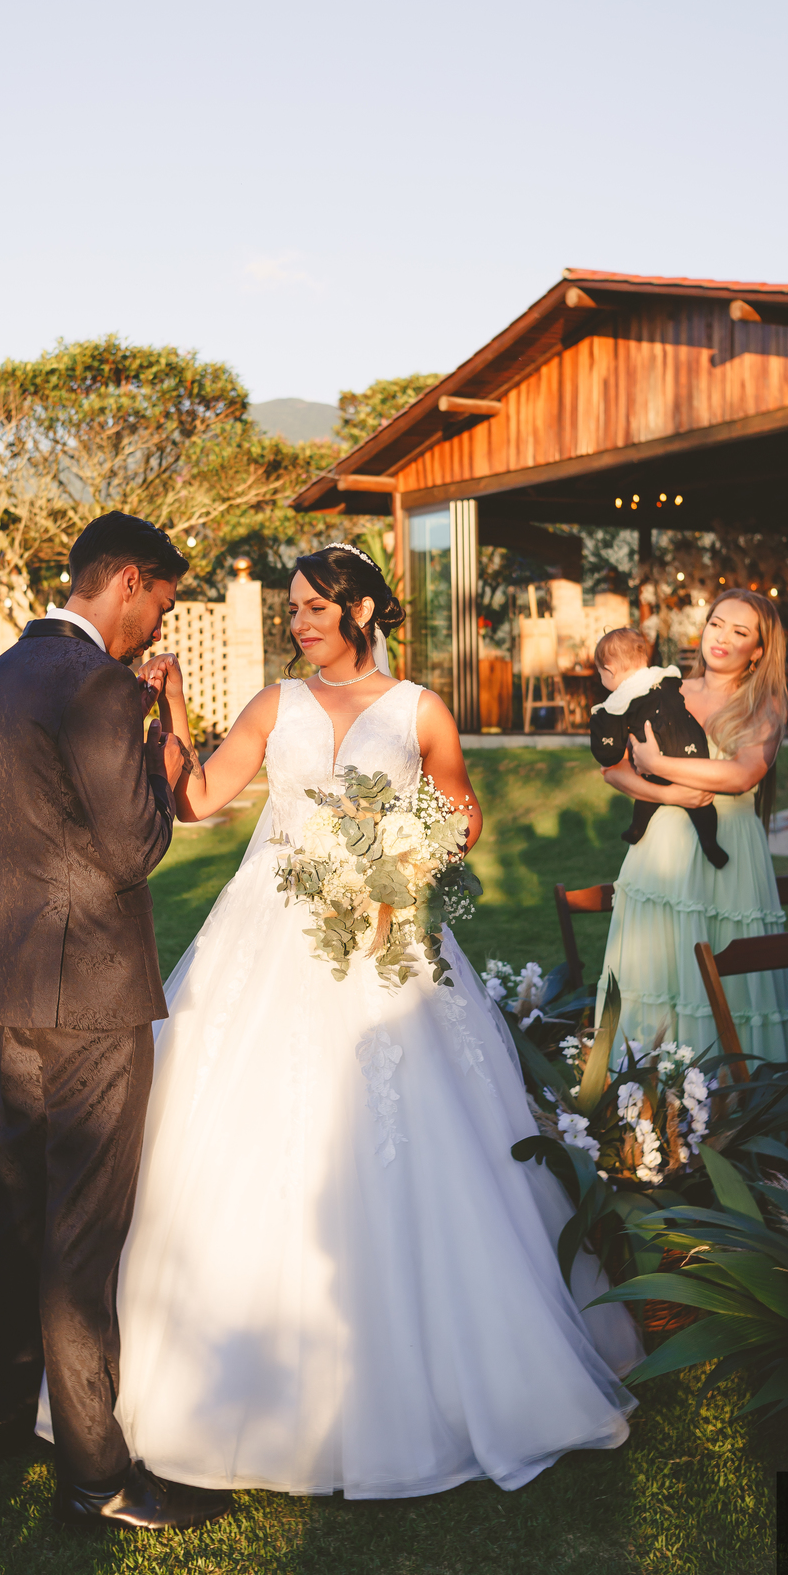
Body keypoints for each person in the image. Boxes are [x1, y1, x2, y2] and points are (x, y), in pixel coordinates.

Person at [109, 543, 642, 1500]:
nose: (299, 623)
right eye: (293, 609)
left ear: (359, 611)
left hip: (387, 934)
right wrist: (174, 711)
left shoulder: (417, 708)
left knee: (418, 1131)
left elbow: (462, 812)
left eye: (314, 607)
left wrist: (407, 862)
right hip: (270, 928)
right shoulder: (275, 704)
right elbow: (197, 800)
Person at [0, 512, 231, 1535]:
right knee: (83, 1227)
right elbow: (134, 850)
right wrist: (160, 734)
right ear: (126, 581)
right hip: (92, 994)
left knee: (19, 1200)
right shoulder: (103, 688)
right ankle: (97, 1478)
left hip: (14, 975)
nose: (159, 621)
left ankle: (5, 1412)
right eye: (161, 599)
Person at [595, 590, 788, 1063]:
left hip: (731, 852)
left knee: (730, 968)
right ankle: (652, 1091)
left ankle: (735, 1093)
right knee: (658, 968)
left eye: (740, 632)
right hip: (661, 849)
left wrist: (659, 764)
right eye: (716, 624)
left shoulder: (764, 703)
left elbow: (743, 774)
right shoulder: (662, 689)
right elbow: (613, 769)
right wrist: (671, 793)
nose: (722, 638)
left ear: (759, 650)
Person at [588, 627, 728, 868]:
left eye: (601, 675)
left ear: (609, 670)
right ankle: (710, 843)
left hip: (658, 761)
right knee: (703, 808)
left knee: (646, 796)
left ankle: (637, 828)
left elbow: (610, 751)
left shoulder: (620, 698)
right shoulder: (663, 676)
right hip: (693, 752)